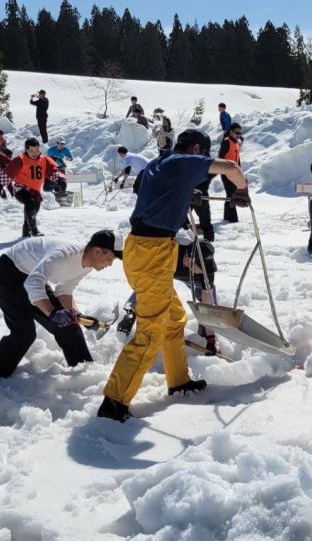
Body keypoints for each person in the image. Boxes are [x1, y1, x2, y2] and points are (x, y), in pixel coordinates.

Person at [98, 129, 251, 423]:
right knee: (151, 330)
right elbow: (231, 168)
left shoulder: (160, 163)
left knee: (174, 318)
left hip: (147, 249)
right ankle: (114, 402)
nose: (204, 162)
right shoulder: (182, 162)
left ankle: (179, 381)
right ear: (196, 149)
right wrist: (241, 191)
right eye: (203, 156)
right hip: (151, 252)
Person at [0, 230, 123, 379]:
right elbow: (33, 282)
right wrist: (53, 313)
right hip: (8, 274)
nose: (110, 264)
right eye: (110, 258)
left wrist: (79, 316)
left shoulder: (87, 264)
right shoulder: (63, 255)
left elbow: (64, 291)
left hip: (33, 277)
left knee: (69, 326)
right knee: (23, 333)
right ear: (97, 251)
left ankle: (83, 375)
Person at [3, 137, 63, 237]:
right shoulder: (20, 159)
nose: (34, 153)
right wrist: (2, 188)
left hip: (35, 191)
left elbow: (53, 169)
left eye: (36, 150)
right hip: (20, 188)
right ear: (26, 149)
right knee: (30, 203)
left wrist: (60, 180)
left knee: (34, 209)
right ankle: (34, 230)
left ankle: (26, 231)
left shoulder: (44, 159)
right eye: (31, 151)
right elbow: (6, 174)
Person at [219, 122, 243, 224]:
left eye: (240, 133)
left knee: (230, 194)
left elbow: (238, 159)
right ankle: (233, 219)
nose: (238, 135)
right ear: (231, 132)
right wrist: (224, 169)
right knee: (231, 194)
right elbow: (220, 157)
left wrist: (239, 171)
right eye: (236, 132)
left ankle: (227, 217)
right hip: (226, 172)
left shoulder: (236, 143)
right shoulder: (226, 141)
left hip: (234, 173)